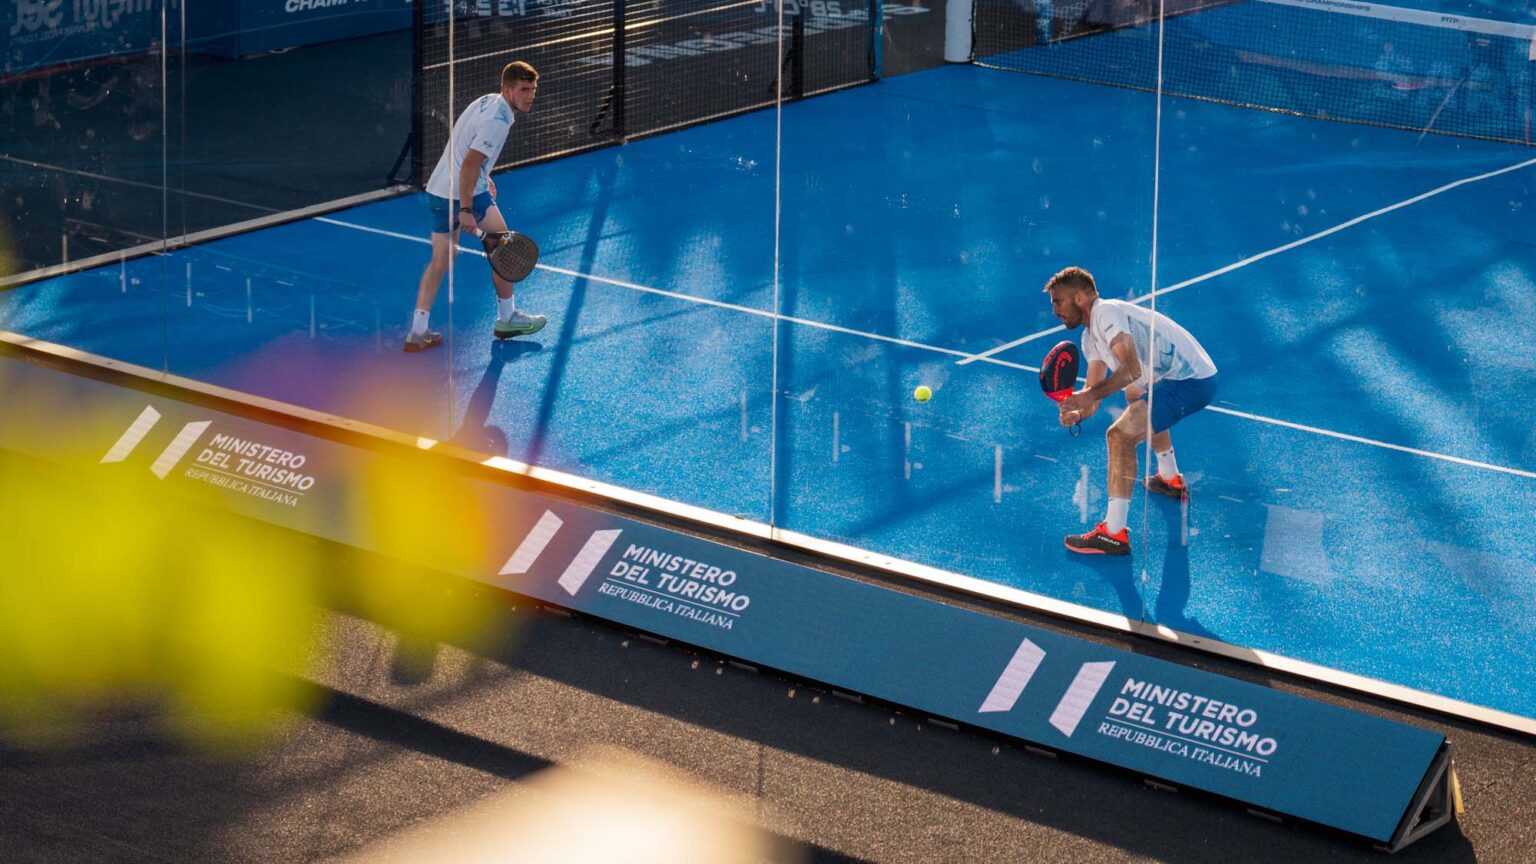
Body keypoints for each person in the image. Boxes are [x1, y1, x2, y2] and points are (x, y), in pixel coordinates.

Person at [1043, 266, 1220, 556]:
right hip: (1174, 377)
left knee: (1119, 436)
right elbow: (1094, 393)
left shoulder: (1106, 312)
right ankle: (1169, 478)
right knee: (1135, 394)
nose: (1055, 311)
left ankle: (1113, 534)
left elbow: (1130, 370)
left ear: (1079, 298)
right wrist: (1078, 412)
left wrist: (1086, 396)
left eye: (1058, 302)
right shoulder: (1090, 337)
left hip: (1191, 381)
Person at [407, 61, 546, 352]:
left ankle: (417, 332)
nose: (530, 95)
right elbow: (470, 164)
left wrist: (485, 175)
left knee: (442, 260)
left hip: (438, 192)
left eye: (533, 89)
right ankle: (507, 319)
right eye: (524, 90)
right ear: (507, 89)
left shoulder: (487, 101)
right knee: (506, 251)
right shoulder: (499, 120)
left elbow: (465, 146)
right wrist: (467, 209)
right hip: (465, 194)